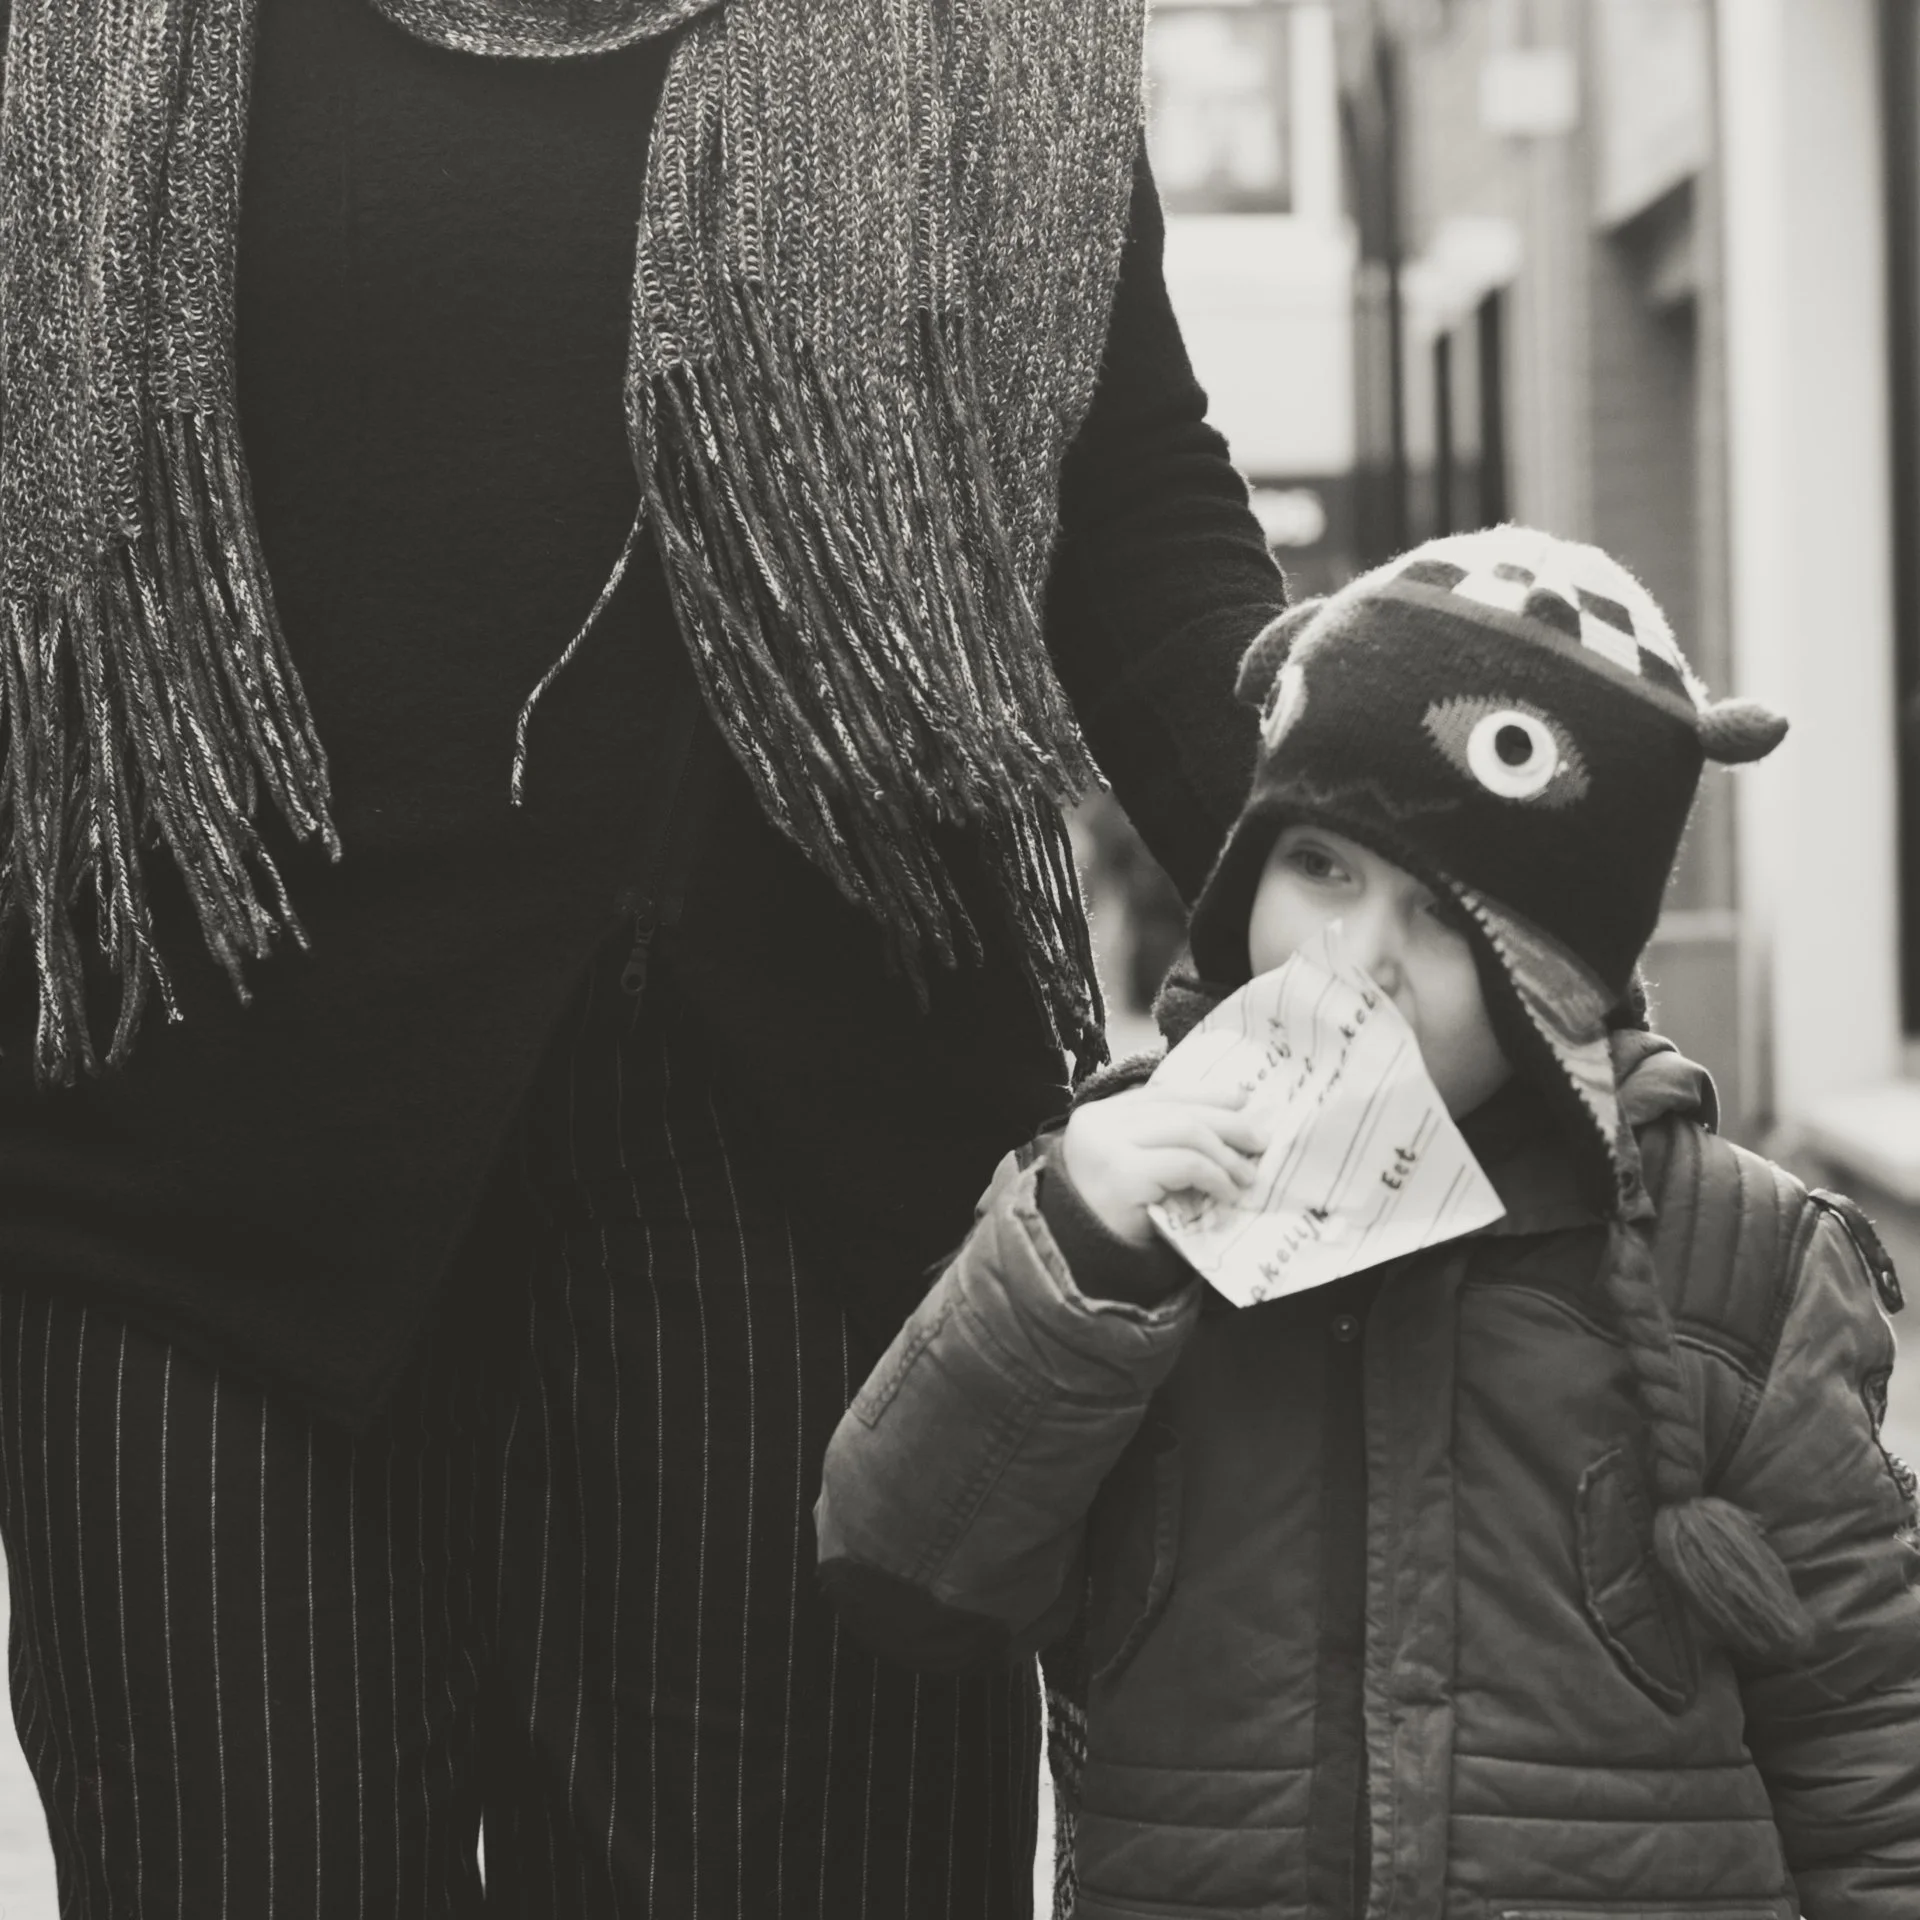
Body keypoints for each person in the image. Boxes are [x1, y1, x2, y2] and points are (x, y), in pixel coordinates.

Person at [0, 1, 1287, 1912]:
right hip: (194, 1240)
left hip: (809, 1233)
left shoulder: (973, 47)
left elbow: (1139, 520)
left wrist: (1416, 876)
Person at [816, 526, 1920, 1917]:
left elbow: (1874, 1748)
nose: (1358, 958)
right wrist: (1077, 1256)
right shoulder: (1114, 1196)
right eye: (1322, 870)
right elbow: (906, 1576)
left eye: (1443, 916)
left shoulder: (1735, 1254)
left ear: (1561, 973)